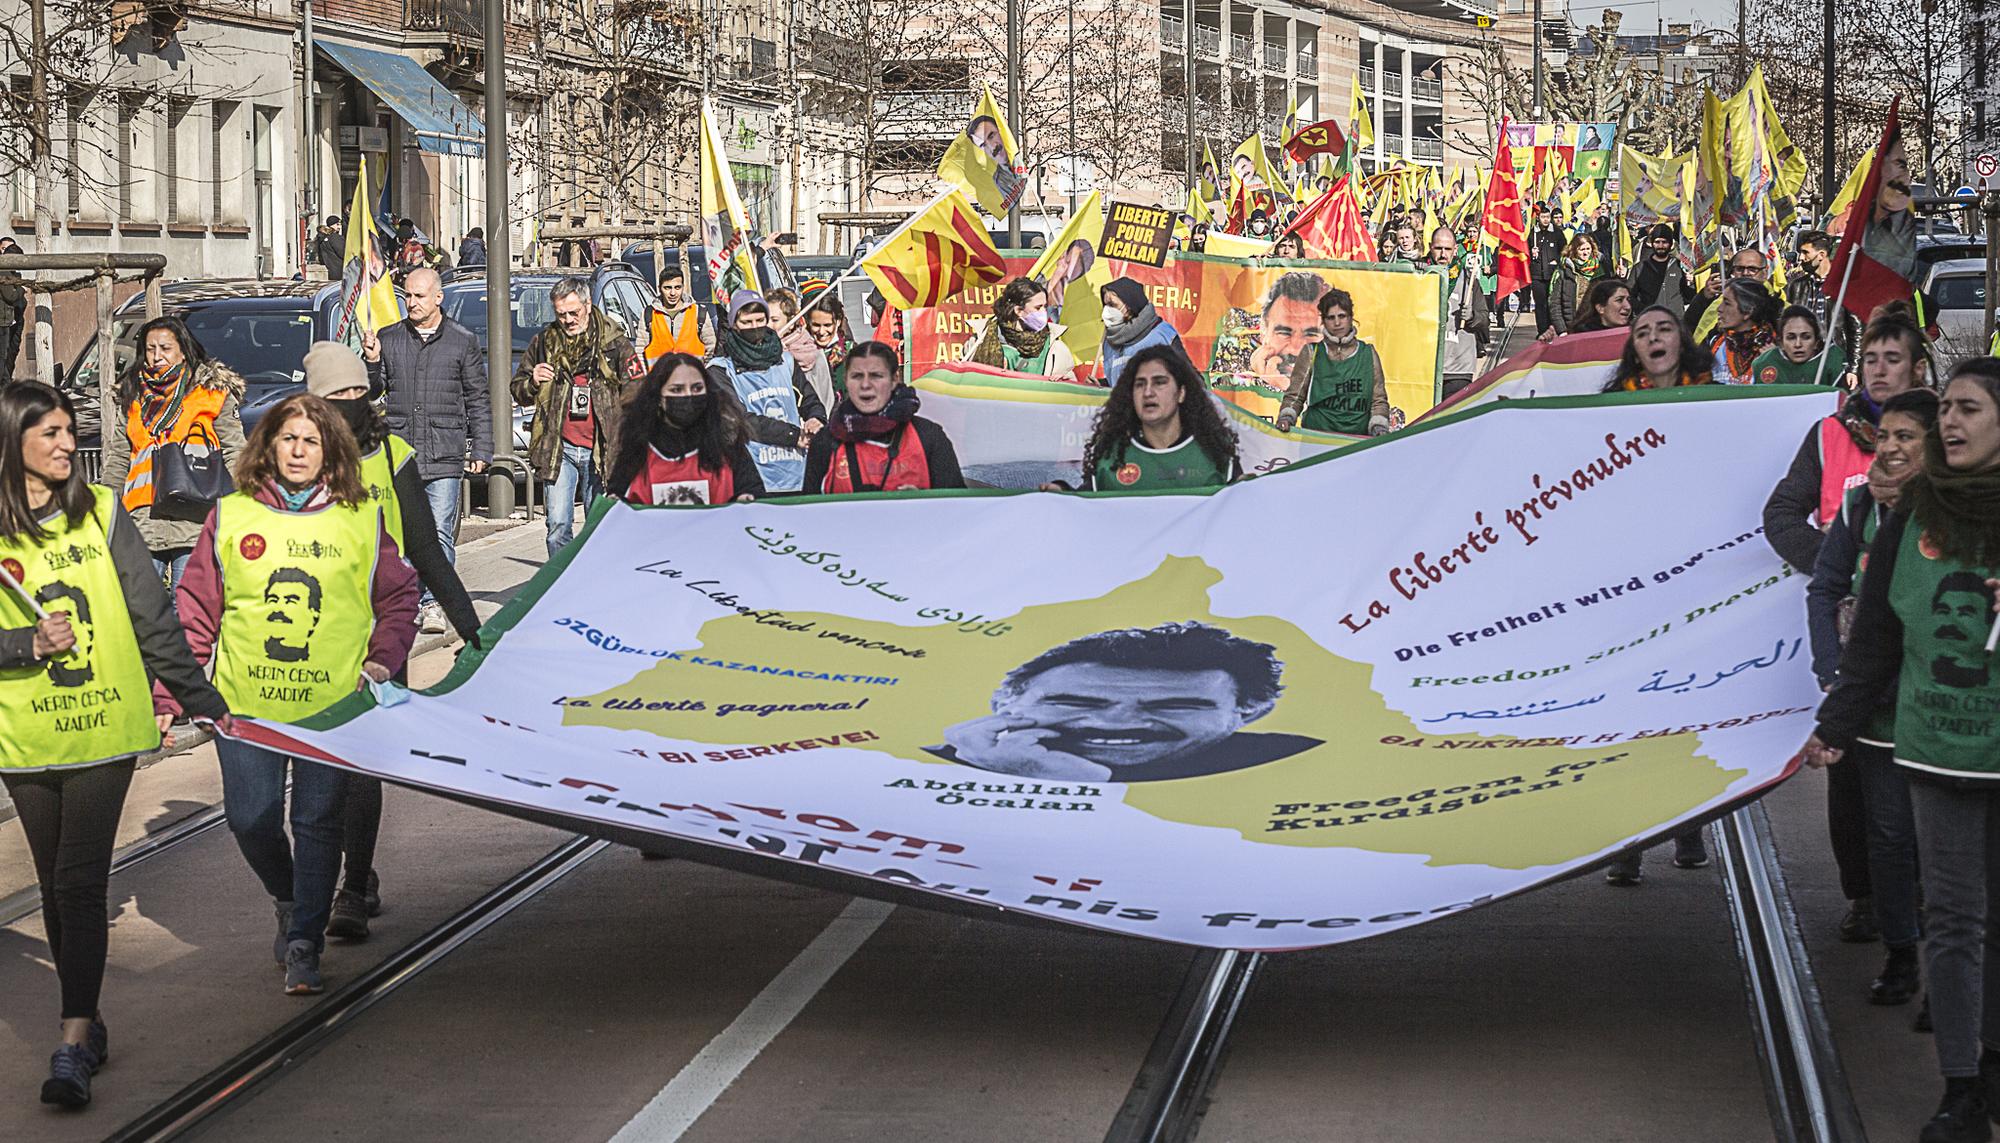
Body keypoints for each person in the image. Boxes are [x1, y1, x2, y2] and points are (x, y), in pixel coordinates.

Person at [0, 381, 230, 1108]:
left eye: (71, 431)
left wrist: (204, 702)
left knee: (77, 882)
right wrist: (22, 641)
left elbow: (151, 615)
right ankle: (89, 1013)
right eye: (52, 435)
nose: (70, 444)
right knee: (56, 891)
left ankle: (70, 1040)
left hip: (102, 729)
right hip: (25, 736)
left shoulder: (100, 513)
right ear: (15, 445)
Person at [1799, 357, 2000, 1142]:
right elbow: (1876, 636)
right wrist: (1836, 725)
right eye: (1946, 408)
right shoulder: (1912, 513)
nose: (1951, 422)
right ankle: (1960, 1085)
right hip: (1936, 748)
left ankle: (1992, 1056)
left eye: (1970, 409)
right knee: (1953, 918)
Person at [169, 392, 419, 996]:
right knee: (250, 818)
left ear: (331, 449)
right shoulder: (231, 517)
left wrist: (383, 662)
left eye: (311, 440)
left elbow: (399, 598)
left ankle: (304, 938)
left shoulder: (361, 518)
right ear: (269, 447)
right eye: (288, 439)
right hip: (243, 706)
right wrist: (178, 692)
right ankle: (288, 898)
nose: (299, 450)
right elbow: (195, 609)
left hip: (331, 709)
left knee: (317, 821)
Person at [305, 343, 481, 940]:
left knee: (363, 761)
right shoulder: (295, 458)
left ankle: (354, 885)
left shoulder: (393, 454)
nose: (352, 405)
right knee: (319, 770)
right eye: (338, 398)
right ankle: (317, 885)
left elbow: (427, 551)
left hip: (385, 632)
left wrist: (471, 629)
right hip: (309, 638)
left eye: (359, 393)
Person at [1803, 388, 1938, 994]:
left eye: (1905, 438)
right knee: (1886, 830)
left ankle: (1952, 975)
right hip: (1877, 708)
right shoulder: (1861, 510)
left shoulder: (1959, 514)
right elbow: (1829, 591)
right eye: (1884, 437)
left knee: (1944, 843)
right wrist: (1835, 679)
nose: (1889, 449)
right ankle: (1903, 953)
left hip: (1940, 707)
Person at [927, 622, 1321, 782]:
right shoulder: (931, 767)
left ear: (1250, 713)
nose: (1118, 721)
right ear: (1004, 704)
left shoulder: (1300, 766)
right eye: (1071, 702)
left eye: (1176, 706)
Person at [360, 267, 489, 633]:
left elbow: (477, 397)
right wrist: (371, 360)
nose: (411, 303)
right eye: (408, 296)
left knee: (438, 535)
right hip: (401, 454)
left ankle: (432, 603)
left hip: (445, 451)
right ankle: (405, 602)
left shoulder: (461, 341)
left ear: (438, 297)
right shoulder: (390, 338)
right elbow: (372, 391)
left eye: (418, 296)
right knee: (399, 535)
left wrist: (481, 447)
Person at [1762, 302, 1930, 575]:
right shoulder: (1829, 432)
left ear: (1918, 368)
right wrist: (1836, 558)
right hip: (1845, 593)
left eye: (1893, 359)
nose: (1879, 370)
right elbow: (1781, 515)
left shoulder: (1945, 434)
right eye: (1871, 359)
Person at [98, 315, 248, 587]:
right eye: (150, 349)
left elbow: (235, 451)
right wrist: (107, 506)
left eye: (165, 349)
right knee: (144, 608)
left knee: (188, 607)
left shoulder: (211, 393)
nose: (157, 357)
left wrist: (243, 507)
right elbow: (120, 456)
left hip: (195, 519)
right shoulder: (132, 395)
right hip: (143, 519)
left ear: (183, 351)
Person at [511, 277, 647, 556]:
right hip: (560, 448)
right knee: (557, 527)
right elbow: (519, 390)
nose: (569, 320)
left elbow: (638, 393)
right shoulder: (544, 343)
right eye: (561, 314)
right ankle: (561, 587)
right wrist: (533, 380)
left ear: (588, 305)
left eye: (574, 312)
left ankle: (593, 587)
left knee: (597, 527)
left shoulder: (615, 345)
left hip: (602, 451)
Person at [1044, 344, 1242, 492]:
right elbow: (1089, 509)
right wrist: (1063, 493)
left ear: (1181, 393)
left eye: (1159, 382)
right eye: (1140, 384)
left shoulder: (1214, 453)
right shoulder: (1112, 457)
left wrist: (1248, 492)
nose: (1148, 392)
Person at [801, 340, 964, 494]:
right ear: (846, 380)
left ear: (894, 379)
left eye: (876, 376)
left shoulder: (928, 437)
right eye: (857, 376)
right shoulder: (826, 441)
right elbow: (806, 513)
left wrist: (922, 501)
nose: (865, 385)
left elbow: (957, 508)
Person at [607, 351, 763, 505]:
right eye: (676, 390)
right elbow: (617, 502)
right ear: (659, 397)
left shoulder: (727, 442)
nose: (688, 396)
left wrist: (747, 500)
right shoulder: (638, 449)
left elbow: (752, 491)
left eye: (696, 388)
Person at [712, 290, 825, 495]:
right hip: (753, 477)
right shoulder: (720, 370)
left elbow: (809, 400)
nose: (755, 327)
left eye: (760, 320)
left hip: (796, 474)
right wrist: (792, 435)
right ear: (734, 325)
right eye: (747, 322)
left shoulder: (786, 362)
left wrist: (816, 418)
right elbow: (738, 420)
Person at [1273, 286, 1392, 436]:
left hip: (1356, 442)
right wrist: (1286, 418)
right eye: (1331, 317)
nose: (1337, 323)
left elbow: (1378, 399)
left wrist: (1379, 427)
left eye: (1342, 316)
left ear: (1350, 317)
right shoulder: (1311, 352)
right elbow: (1295, 395)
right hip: (1316, 439)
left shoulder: (1368, 353)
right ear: (1323, 321)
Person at [964, 277, 1076, 379]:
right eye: (1038, 308)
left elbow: (1072, 393)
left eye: (1045, 307)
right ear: (1018, 311)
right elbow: (964, 382)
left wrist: (1064, 381)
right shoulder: (979, 341)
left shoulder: (1055, 348)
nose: (1044, 312)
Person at [1425, 226, 1487, 394]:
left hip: (1458, 367)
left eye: (1447, 249)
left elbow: (1484, 320)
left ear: (1455, 250)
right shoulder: (1420, 276)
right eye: (1438, 248)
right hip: (1426, 364)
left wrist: (1473, 317)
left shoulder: (1469, 279)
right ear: (1430, 247)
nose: (1443, 254)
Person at [1100, 277, 1192, 388]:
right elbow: (1117, 382)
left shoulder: (1162, 335)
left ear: (1129, 305)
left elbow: (1192, 382)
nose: (1107, 310)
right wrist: (1101, 385)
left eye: (1112, 304)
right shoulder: (1109, 342)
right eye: (1105, 305)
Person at [1601, 306, 1713, 392]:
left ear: (1682, 343)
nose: (1653, 338)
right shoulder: (1614, 406)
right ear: (1635, 354)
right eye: (1642, 334)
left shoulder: (1716, 398)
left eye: (1664, 329)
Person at [1790, 229, 1858, 361]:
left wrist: (1853, 368)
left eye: (1805, 253)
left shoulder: (1845, 286)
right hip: (1803, 358)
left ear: (1821, 255)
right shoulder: (1796, 286)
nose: (1801, 258)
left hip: (1835, 358)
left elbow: (1856, 331)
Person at [769, 287, 837, 412]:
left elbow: (826, 399)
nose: (768, 325)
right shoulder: (762, 353)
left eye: (774, 320)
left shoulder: (812, 352)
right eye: (764, 319)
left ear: (790, 321)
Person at [1702, 278, 1780, 384]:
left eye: (1727, 303)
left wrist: (1778, 363)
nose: (1719, 309)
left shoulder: (1777, 346)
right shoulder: (1714, 342)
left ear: (1748, 311)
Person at [1752, 306, 1849, 386]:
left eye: (1806, 337)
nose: (1798, 344)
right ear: (1781, 343)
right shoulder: (1765, 363)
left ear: (1816, 342)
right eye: (1791, 337)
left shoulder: (1832, 361)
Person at [1689, 245, 1769, 338]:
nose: (1745, 273)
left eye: (1752, 269)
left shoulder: (1776, 304)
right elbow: (1689, 325)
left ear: (1764, 273)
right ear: (1733, 272)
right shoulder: (1719, 299)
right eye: (1740, 269)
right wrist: (1704, 297)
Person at [645, 264, 714, 364]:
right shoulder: (649, 314)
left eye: (677, 287)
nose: (673, 293)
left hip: (691, 377)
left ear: (683, 287)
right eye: (667, 288)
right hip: (659, 377)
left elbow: (711, 347)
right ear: (659, 288)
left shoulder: (699, 313)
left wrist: (703, 373)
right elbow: (640, 352)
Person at [1545, 233, 1603, 339]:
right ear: (1574, 250)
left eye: (1588, 249)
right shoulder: (1564, 271)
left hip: (1595, 329)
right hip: (1571, 329)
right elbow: (1555, 303)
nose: (1586, 253)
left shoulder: (1601, 270)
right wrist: (1561, 330)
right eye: (1581, 249)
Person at [1629, 223, 1691, 314]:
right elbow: (1629, 295)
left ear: (1670, 244)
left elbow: (1689, 296)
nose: (1661, 246)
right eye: (1657, 242)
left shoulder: (1680, 266)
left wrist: (1691, 283)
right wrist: (1644, 311)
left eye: (1664, 242)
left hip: (1676, 320)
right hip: (1651, 321)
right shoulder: (1640, 268)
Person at [804, 293, 852, 398]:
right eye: (816, 325)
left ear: (838, 322)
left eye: (827, 325)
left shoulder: (852, 353)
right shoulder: (800, 354)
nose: (821, 332)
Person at [1528, 202, 1566, 335]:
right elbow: (1524, 253)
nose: (1545, 220)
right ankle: (1542, 330)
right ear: (1538, 217)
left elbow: (1565, 250)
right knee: (1540, 304)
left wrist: (1559, 262)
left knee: (1553, 303)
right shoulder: (1533, 233)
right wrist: (1531, 252)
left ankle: (1553, 328)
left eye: (1547, 217)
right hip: (1537, 274)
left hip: (1553, 274)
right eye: (1543, 217)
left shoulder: (1557, 233)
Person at [0, 237, 25, 378]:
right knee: (3, 356)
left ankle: (6, 382)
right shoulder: (3, 272)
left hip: (13, 318)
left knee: (10, 353)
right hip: (4, 320)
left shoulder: (14, 273)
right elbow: (10, 296)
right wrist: (22, 290)